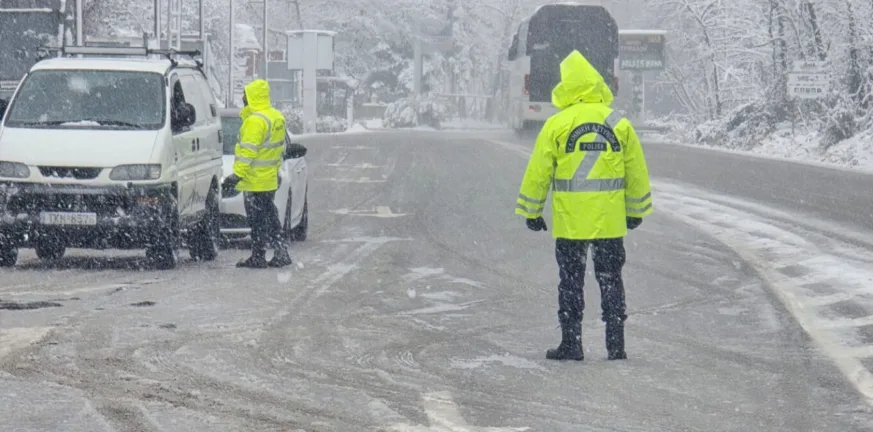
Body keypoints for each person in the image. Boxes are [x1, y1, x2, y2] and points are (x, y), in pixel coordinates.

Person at [515, 50, 653, 361]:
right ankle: (616, 345)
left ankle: (571, 343)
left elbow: (539, 172)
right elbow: (635, 171)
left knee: (571, 282)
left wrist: (532, 211)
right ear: (595, 83)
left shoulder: (556, 124)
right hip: (609, 222)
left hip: (571, 222)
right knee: (611, 280)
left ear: (567, 86)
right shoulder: (619, 123)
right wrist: (635, 211)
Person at [224, 79, 293, 269]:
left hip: (254, 180)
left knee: (257, 220)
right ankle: (279, 251)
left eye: (245, 96)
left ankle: (259, 255)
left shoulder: (255, 121)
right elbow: (278, 149)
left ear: (253, 97)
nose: (242, 99)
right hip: (269, 178)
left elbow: (248, 152)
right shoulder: (276, 117)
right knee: (270, 216)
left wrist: (236, 176)